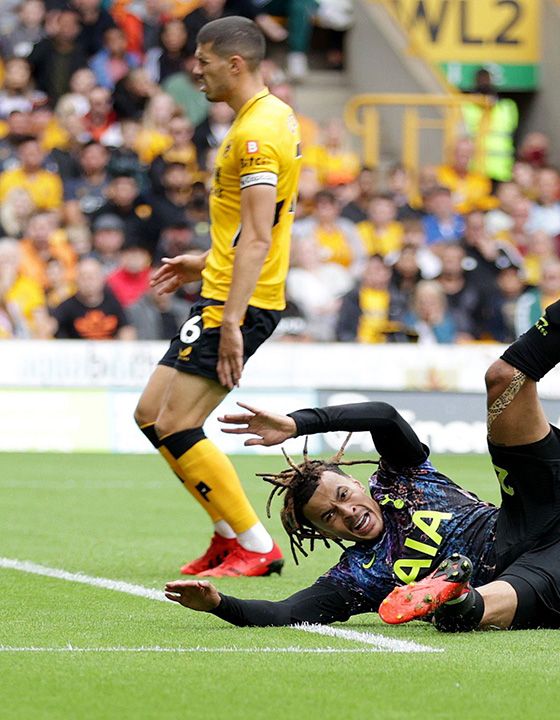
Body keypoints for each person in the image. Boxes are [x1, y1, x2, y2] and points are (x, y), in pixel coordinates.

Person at [162, 183, 560, 630]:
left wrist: (300, 423)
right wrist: (220, 604)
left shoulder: (400, 479)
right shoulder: (358, 577)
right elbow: (284, 611)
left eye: (342, 495)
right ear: (323, 535)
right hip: (545, 585)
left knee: (504, 377)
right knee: (460, 614)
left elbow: (384, 417)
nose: (347, 511)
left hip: (543, 515)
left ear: (358, 481)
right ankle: (454, 595)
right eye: (331, 518)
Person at [132, 17, 302, 578]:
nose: (195, 70)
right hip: (225, 287)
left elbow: (257, 237)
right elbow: (262, 230)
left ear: (235, 64)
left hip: (237, 301)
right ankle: (228, 535)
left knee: (177, 424)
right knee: (151, 415)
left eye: (203, 61)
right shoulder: (267, 118)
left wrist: (230, 321)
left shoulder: (256, 135)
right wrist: (204, 261)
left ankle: (257, 545)